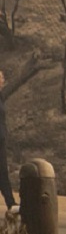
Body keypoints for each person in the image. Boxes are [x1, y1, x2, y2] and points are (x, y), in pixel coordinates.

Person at [0, 67, 14, 213]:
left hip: (1, 138)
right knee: (2, 171)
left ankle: (11, 203)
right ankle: (11, 202)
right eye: (1, 77)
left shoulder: (1, 96)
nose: (3, 80)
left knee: (2, 172)